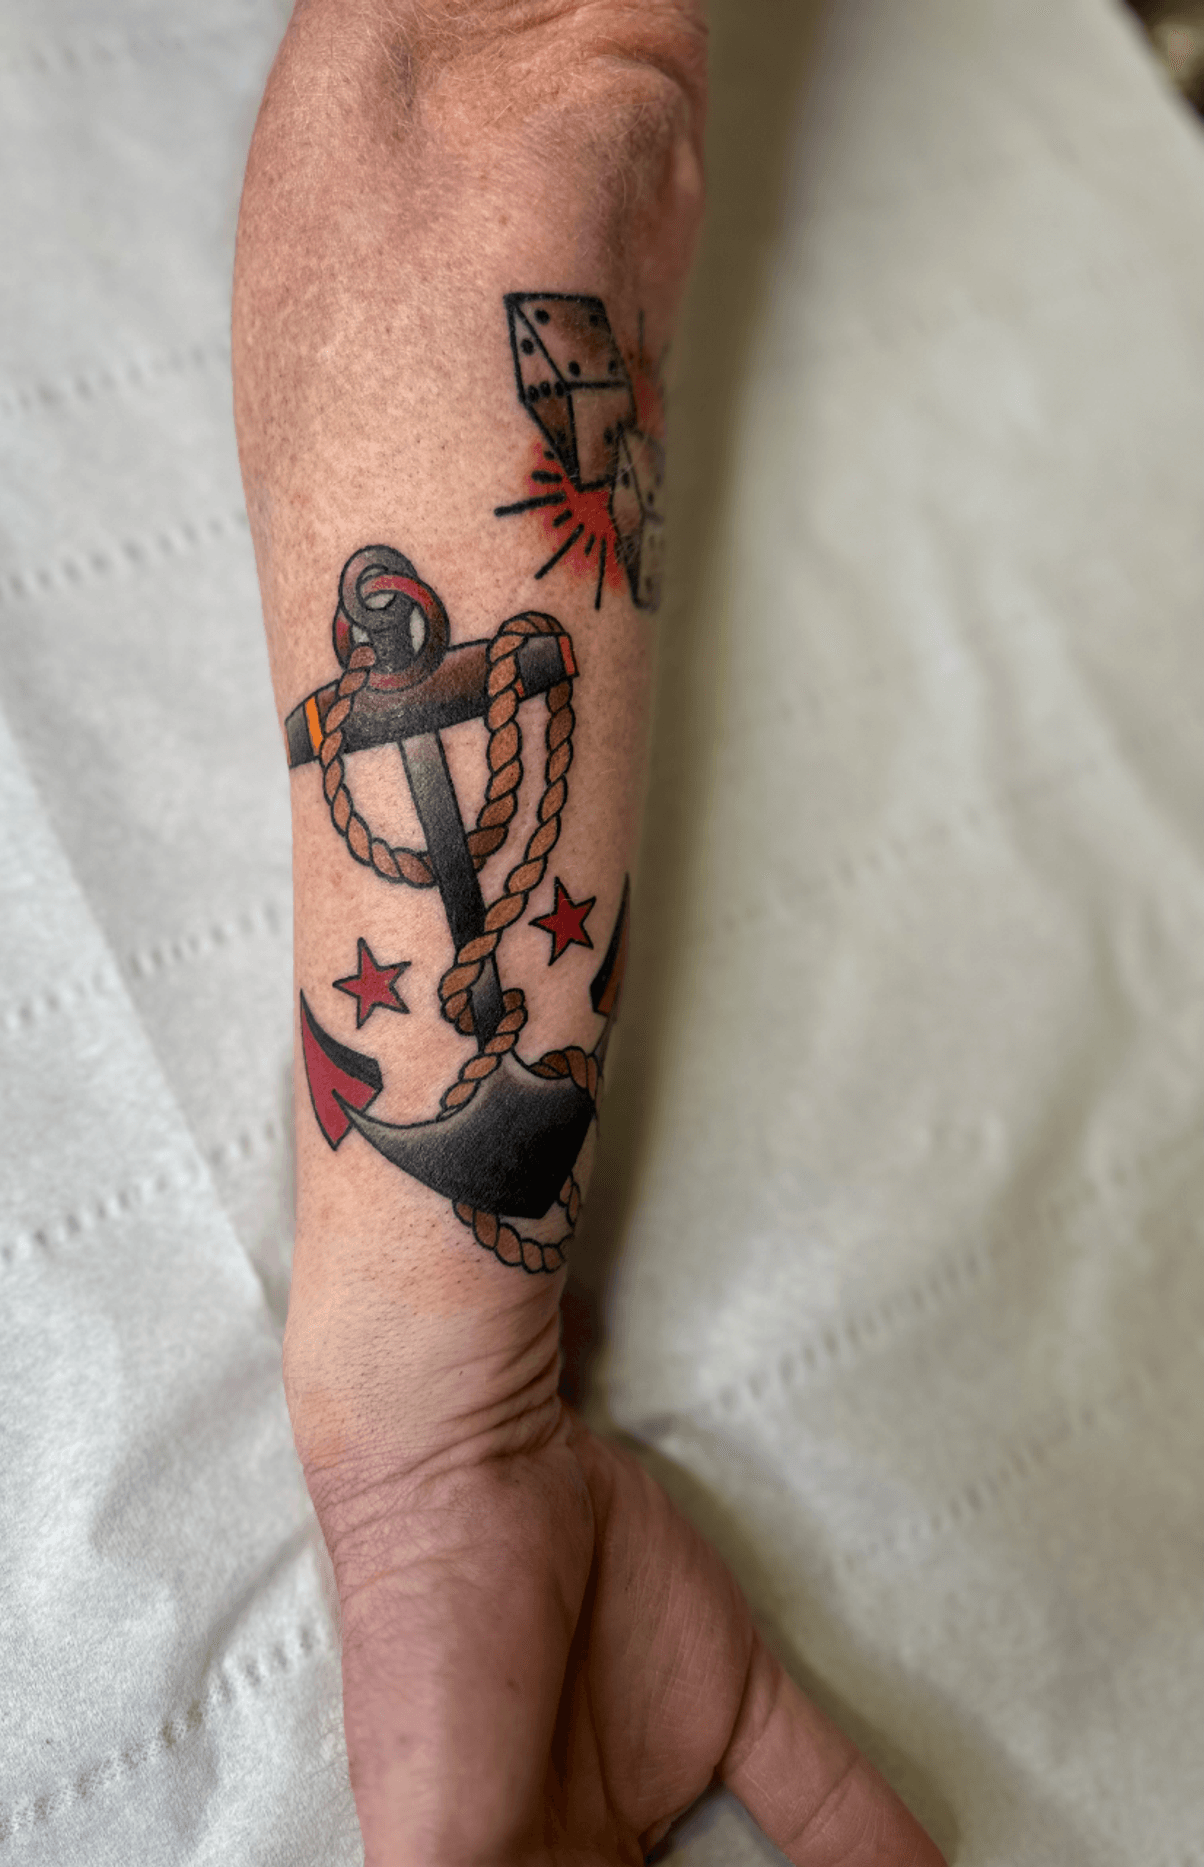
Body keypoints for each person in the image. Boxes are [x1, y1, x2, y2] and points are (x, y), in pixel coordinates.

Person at [231, 2, 947, 1860]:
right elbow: (499, 84)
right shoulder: (393, 711)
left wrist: (442, 1447)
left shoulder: (470, 693)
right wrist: (442, 1422)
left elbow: (516, 80)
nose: (391, 645)